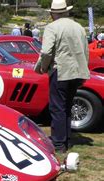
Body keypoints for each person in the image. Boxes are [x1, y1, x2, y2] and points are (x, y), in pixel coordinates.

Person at [34, 0, 90, 153]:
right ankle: (66, 139)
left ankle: (59, 143)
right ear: (66, 11)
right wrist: (84, 73)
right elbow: (86, 52)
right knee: (67, 107)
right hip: (77, 71)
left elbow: (46, 52)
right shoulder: (78, 27)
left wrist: (43, 67)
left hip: (61, 71)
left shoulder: (52, 27)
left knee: (57, 108)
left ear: (53, 13)